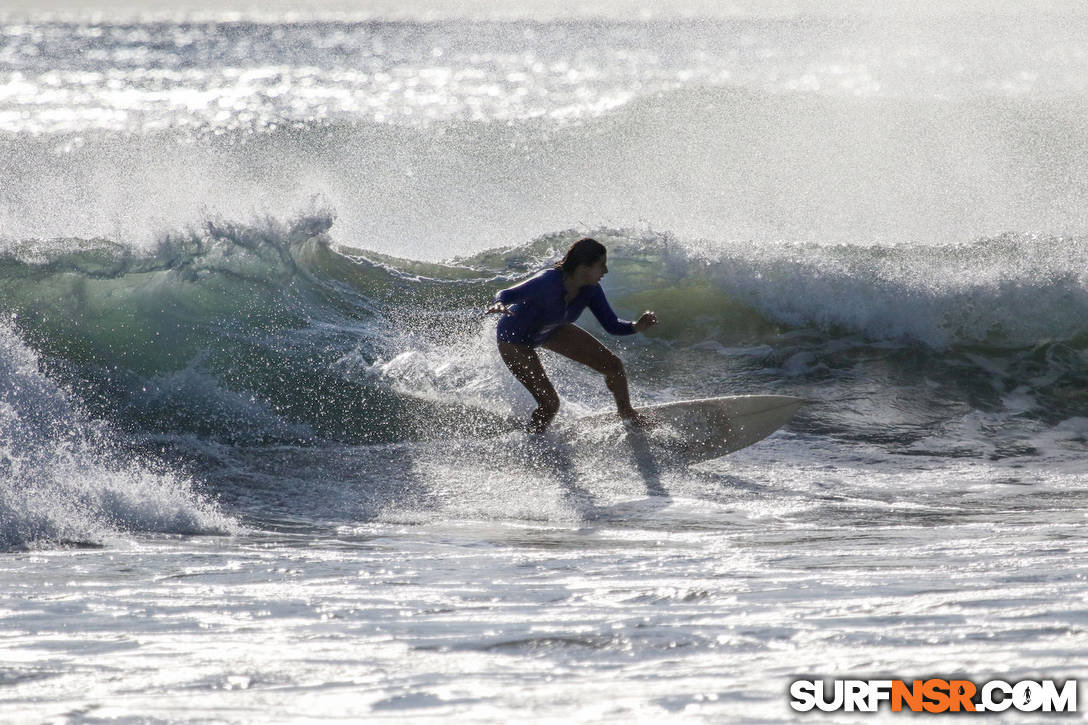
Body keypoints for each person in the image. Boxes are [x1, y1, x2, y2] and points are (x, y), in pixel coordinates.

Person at [486, 238, 658, 433]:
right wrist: (498, 303)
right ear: (584, 268)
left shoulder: (591, 290)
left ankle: (628, 415)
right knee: (550, 404)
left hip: (551, 329)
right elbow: (506, 293)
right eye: (601, 265)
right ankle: (532, 440)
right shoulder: (547, 282)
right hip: (513, 339)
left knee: (613, 367)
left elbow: (611, 325)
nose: (606, 271)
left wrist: (637, 326)